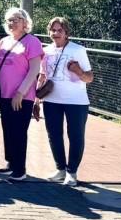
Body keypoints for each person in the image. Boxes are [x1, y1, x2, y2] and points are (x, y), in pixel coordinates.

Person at [37, 17, 93, 186]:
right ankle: (60, 169)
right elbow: (42, 76)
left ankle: (72, 172)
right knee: (53, 134)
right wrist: (36, 99)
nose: (55, 34)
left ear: (66, 32)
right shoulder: (46, 51)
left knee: (75, 136)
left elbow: (89, 78)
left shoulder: (78, 50)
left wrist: (77, 70)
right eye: (53, 30)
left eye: (59, 30)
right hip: (51, 99)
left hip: (76, 101)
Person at [0, 7, 43, 181]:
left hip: (22, 96)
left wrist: (21, 92)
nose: (12, 23)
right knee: (7, 129)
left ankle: (20, 168)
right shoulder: (3, 42)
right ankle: (11, 163)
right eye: (9, 20)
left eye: (16, 19)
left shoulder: (32, 42)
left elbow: (35, 69)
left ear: (24, 22)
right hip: (4, 94)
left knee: (19, 131)